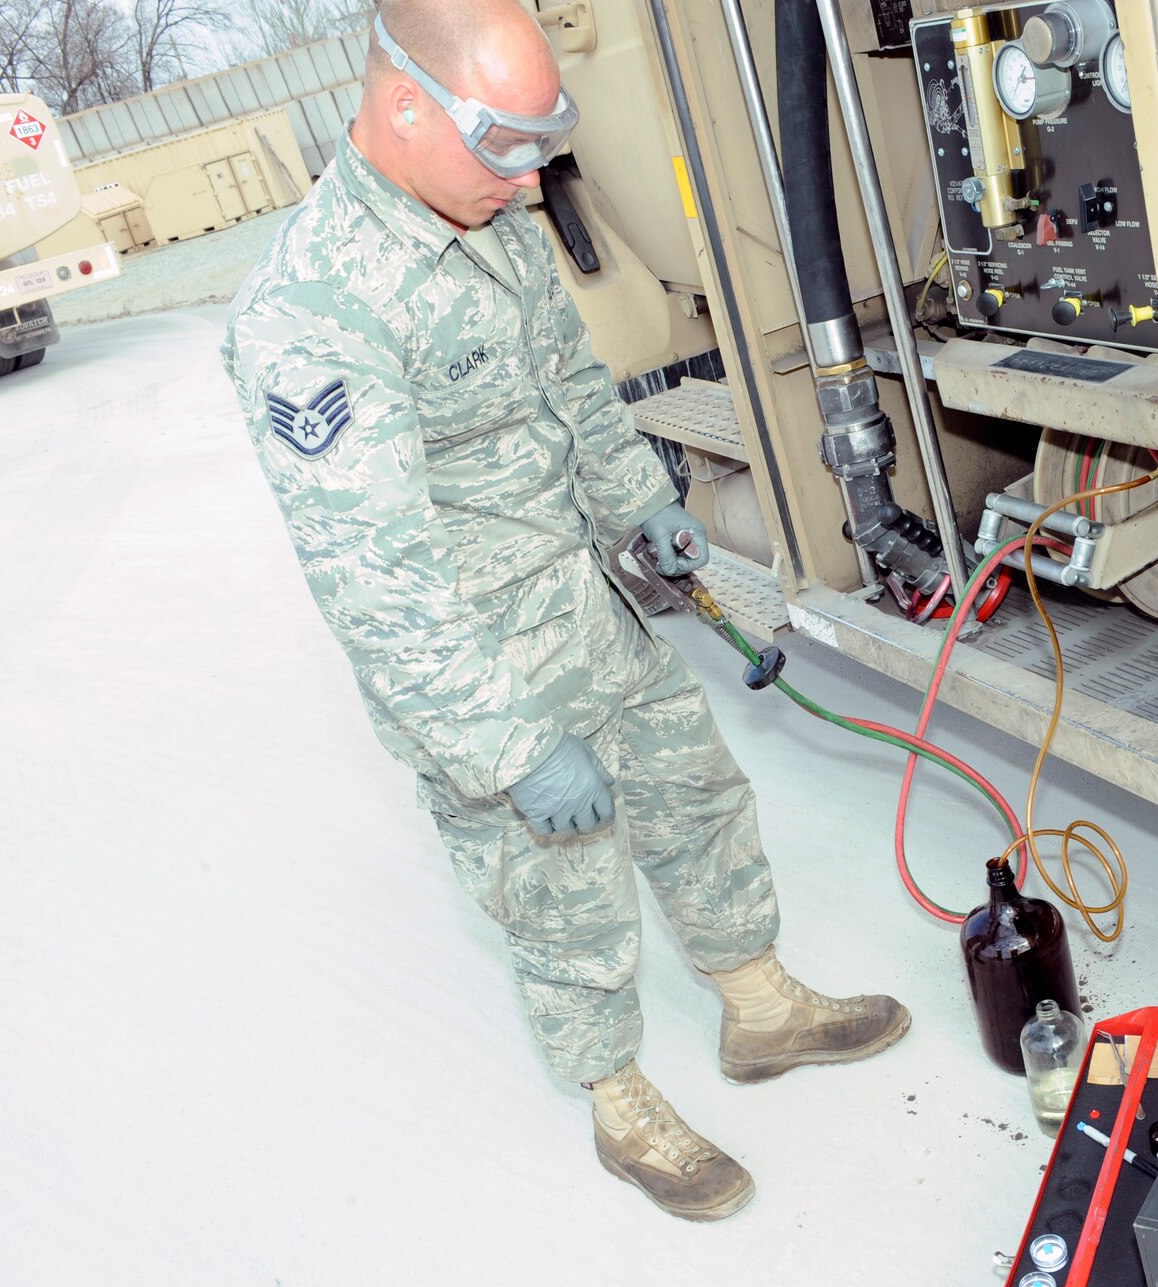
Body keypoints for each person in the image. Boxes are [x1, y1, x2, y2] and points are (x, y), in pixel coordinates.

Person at [220, 0, 909, 1222]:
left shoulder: (489, 210)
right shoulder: (311, 312)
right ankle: (619, 1100)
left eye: (547, 137)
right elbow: (376, 577)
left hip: (590, 607)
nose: (531, 171)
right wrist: (510, 744)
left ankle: (757, 1005)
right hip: (481, 665)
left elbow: (572, 387)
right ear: (401, 106)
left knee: (694, 791)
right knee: (561, 893)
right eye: (504, 140)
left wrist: (643, 506)